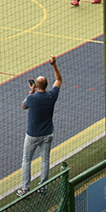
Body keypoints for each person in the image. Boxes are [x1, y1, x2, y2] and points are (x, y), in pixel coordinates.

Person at [19, 55, 62, 197]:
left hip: (32, 135)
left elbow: (23, 106)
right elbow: (59, 80)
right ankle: (43, 187)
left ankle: (25, 189)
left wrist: (31, 91)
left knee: (26, 160)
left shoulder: (32, 98)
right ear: (47, 84)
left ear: (36, 86)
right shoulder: (52, 96)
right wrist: (54, 65)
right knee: (45, 160)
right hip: (48, 133)